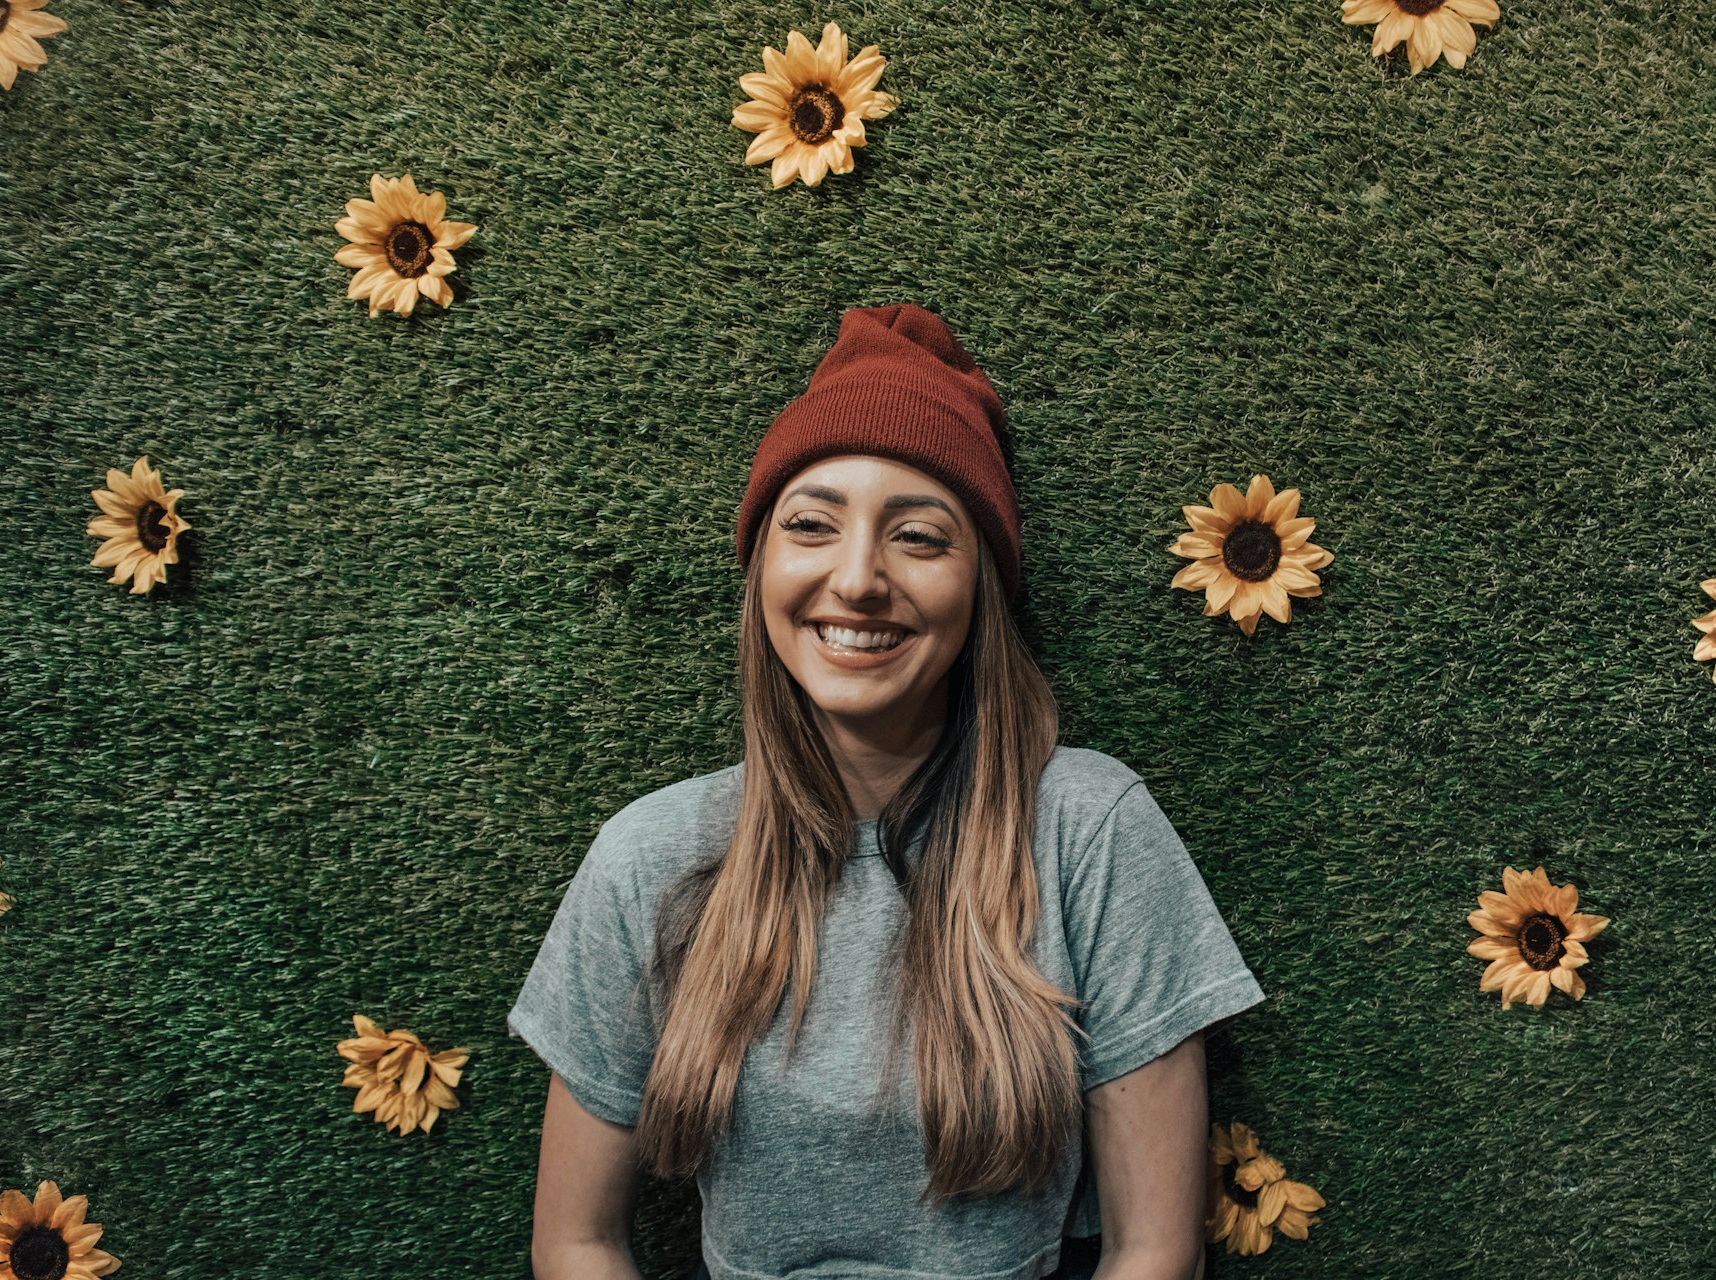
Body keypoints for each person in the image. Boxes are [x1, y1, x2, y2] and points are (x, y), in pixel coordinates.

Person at [509, 303, 1267, 1280]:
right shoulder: (646, 854)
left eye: (918, 535)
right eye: (813, 524)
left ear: (979, 590)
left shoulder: (1091, 828)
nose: (858, 577)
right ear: (764, 567)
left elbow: (1155, 1253)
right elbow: (574, 1242)